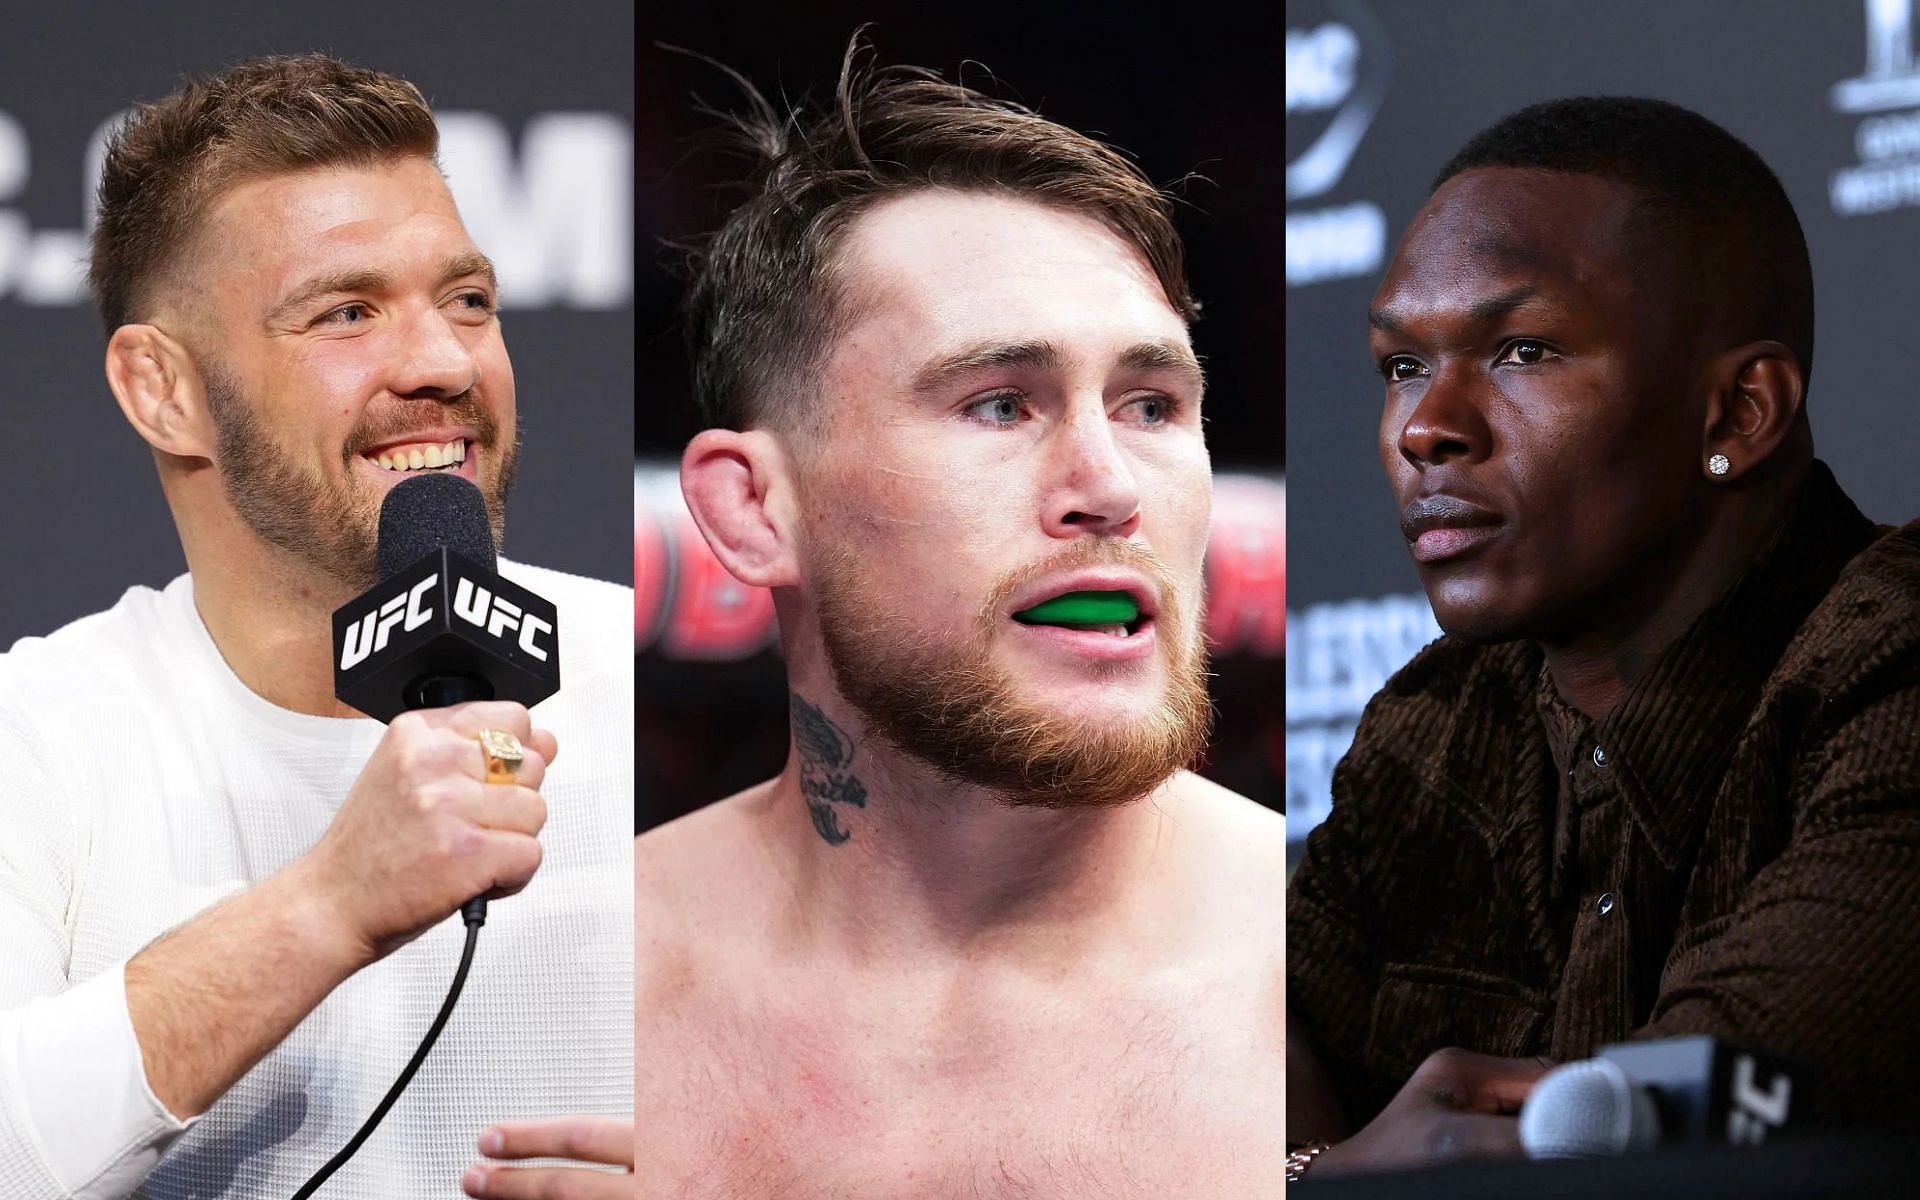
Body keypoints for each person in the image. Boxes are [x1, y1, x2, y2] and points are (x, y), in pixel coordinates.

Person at [635, 39, 1285, 1197]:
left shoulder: (1375, 980)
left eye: (1151, 403)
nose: (1110, 485)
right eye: (999, 404)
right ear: (752, 508)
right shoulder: (551, 987)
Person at [0, 56, 633, 1198]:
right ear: (163, 391)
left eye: (469, 300)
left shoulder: (651, 683)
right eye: (347, 312)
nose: (444, 363)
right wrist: (327, 905)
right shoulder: (34, 735)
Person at [1286, 96, 1920, 1178]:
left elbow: (1683, 1130)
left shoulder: (1890, 661)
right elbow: (1216, 1072)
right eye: (1400, 366)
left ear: (1738, 416)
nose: (1426, 428)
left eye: (1522, 351)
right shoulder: (1429, 731)